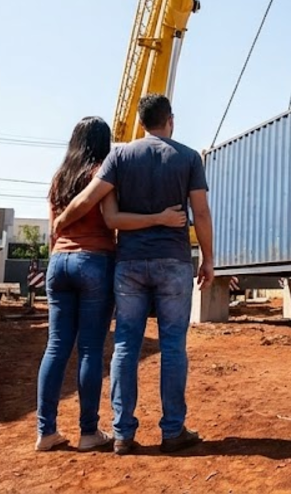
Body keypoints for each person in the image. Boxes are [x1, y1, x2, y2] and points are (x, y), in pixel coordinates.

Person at [54, 94, 214, 456]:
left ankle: (123, 433)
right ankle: (173, 431)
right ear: (170, 119)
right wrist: (208, 259)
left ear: (141, 121)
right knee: (173, 346)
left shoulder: (120, 156)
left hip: (129, 265)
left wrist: (60, 223)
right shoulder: (189, 157)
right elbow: (201, 214)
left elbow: (88, 199)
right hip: (173, 262)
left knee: (125, 345)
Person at [36, 116, 186, 452]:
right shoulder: (101, 174)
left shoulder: (58, 179)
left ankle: (46, 431)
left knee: (56, 346)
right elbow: (111, 219)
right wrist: (159, 218)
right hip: (94, 262)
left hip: (58, 264)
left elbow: (53, 231)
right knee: (90, 348)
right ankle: (89, 432)